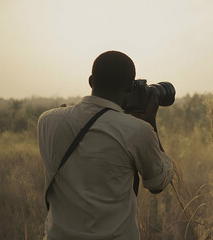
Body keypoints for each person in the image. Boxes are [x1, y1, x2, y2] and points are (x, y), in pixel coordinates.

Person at [37, 51, 173, 240]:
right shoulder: (138, 131)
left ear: (91, 81)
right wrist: (150, 123)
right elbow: (157, 183)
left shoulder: (47, 121)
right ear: (129, 87)